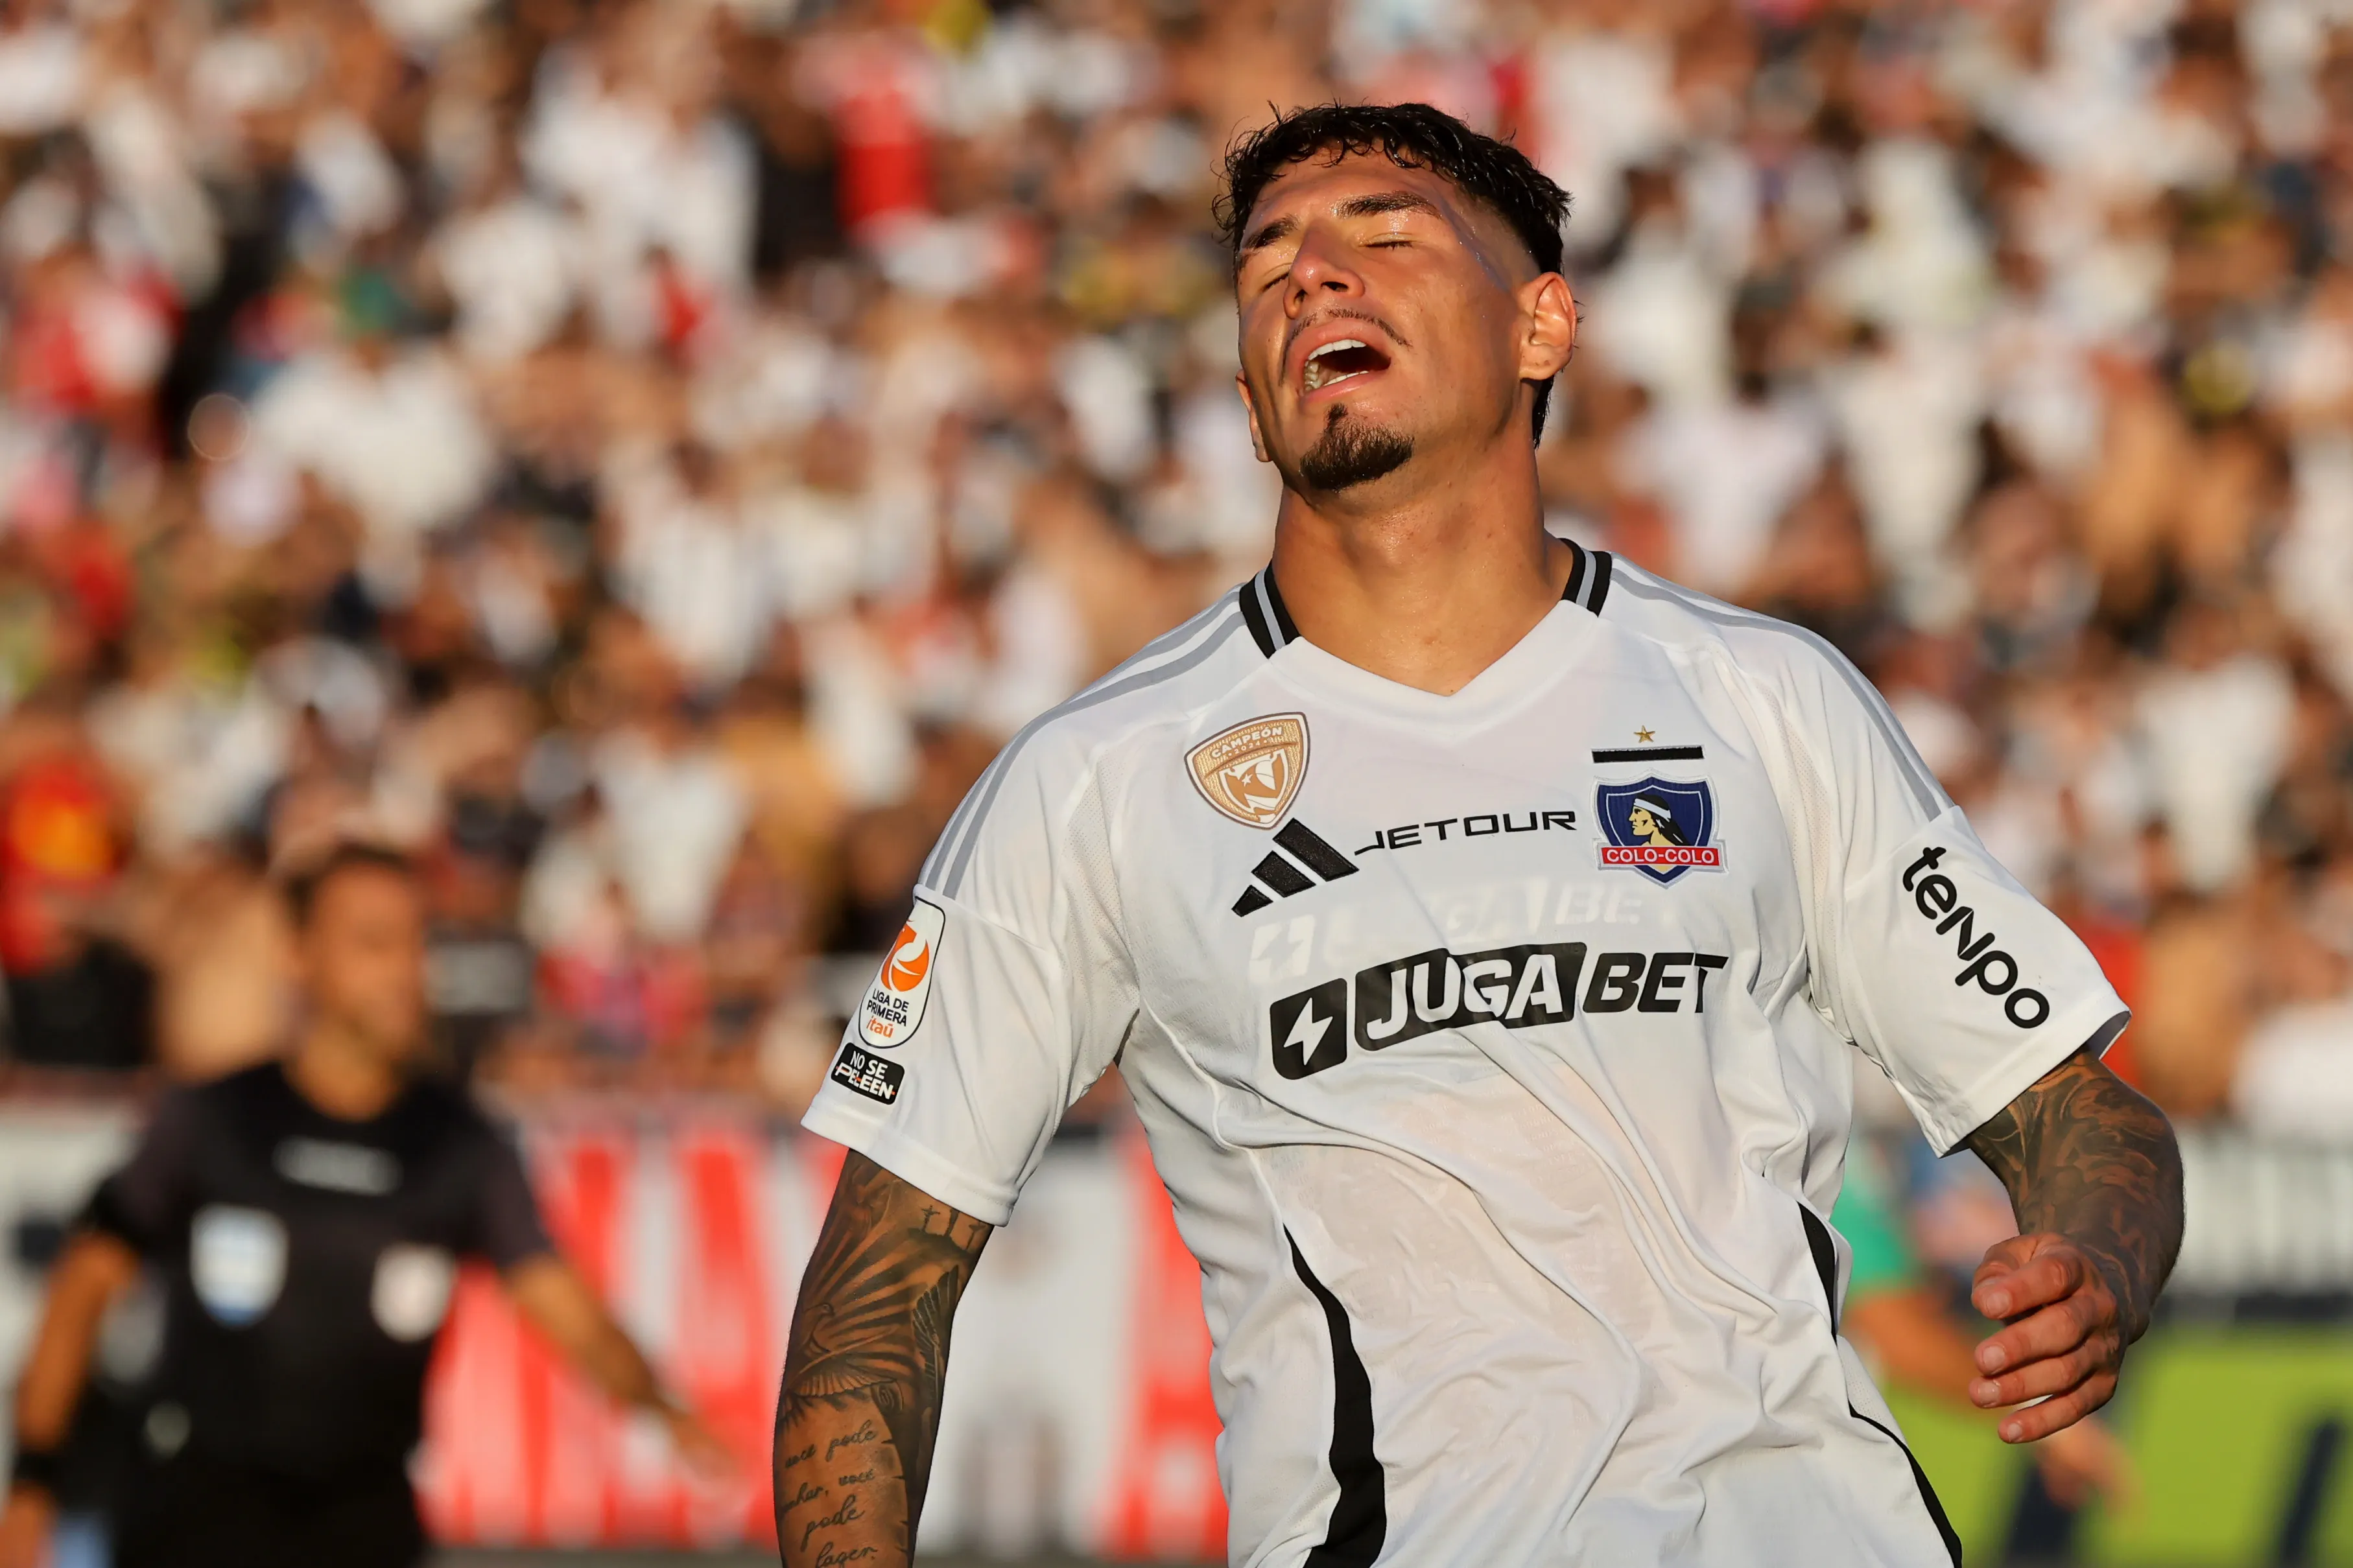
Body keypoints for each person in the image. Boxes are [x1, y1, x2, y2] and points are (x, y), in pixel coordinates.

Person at [772, 102, 2183, 1568]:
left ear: (1538, 326)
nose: (1312, 276)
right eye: (1267, 265)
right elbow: (875, 1301)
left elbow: (2073, 1110)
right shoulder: (1093, 777)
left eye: (1384, 236)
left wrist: (2093, 1261)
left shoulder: (1762, 697)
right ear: (1250, 405)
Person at [0, 843, 727, 1568]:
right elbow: (82, 1289)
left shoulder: (456, 1143)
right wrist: (32, 1483)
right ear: (298, 955)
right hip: (195, 1517)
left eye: (416, 943)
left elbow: (562, 1304)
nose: (404, 971)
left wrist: (665, 1409)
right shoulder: (215, 1119)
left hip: (364, 1523)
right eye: (373, 943)